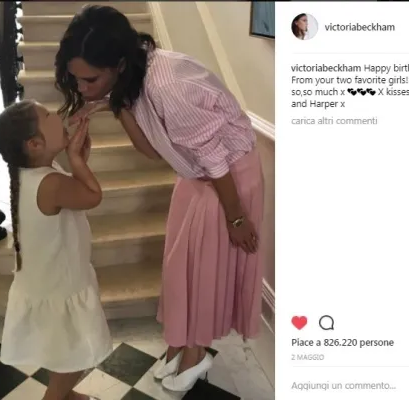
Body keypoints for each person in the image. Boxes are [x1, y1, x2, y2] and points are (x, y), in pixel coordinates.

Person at [54, 5, 265, 392]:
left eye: (89, 79)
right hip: (197, 173)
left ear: (118, 63)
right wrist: (114, 105)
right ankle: (179, 344)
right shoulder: (132, 78)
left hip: (228, 176)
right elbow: (152, 150)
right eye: (76, 80)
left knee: (203, 269)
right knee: (178, 264)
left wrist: (235, 218)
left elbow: (215, 157)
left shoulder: (167, 85)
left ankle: (195, 353)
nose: (81, 88)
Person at [0, 99, 112, 400]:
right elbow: (92, 196)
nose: (58, 115)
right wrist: (77, 161)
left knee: (61, 349)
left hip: (45, 281)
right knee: (76, 353)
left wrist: (77, 160)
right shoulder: (51, 183)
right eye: (48, 116)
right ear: (35, 144)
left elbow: (72, 191)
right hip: (61, 284)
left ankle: (64, 395)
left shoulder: (34, 174)